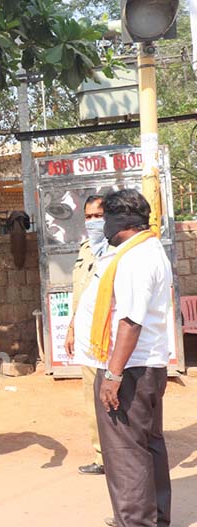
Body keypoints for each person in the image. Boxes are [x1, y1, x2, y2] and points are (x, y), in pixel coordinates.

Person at [72, 189, 172, 527]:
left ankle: (136, 521)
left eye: (105, 219)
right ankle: (154, 517)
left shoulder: (135, 259)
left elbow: (130, 321)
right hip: (142, 366)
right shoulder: (144, 250)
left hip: (129, 369)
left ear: (121, 221)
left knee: (125, 452)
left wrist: (112, 375)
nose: (102, 227)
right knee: (148, 445)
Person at [64, 195, 107, 476]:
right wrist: (71, 328)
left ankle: (125, 454)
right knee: (92, 397)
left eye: (98, 216)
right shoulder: (86, 248)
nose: (93, 221)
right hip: (86, 335)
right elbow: (79, 293)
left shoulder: (116, 249)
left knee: (116, 396)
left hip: (110, 336)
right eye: (88, 217)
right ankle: (102, 456)